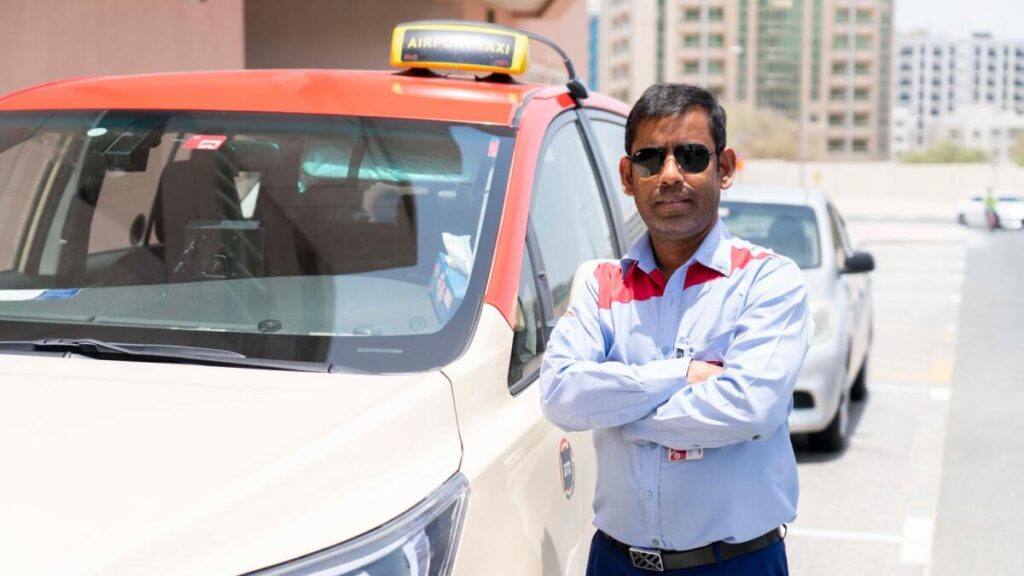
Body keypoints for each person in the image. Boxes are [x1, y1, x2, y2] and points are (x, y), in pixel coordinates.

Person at [539, 83, 813, 575]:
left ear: (724, 168)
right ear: (628, 175)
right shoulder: (601, 284)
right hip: (615, 562)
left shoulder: (767, 280)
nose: (669, 175)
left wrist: (620, 415)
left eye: (690, 156)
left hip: (735, 565)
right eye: (649, 159)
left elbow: (748, 408)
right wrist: (681, 374)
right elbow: (560, 395)